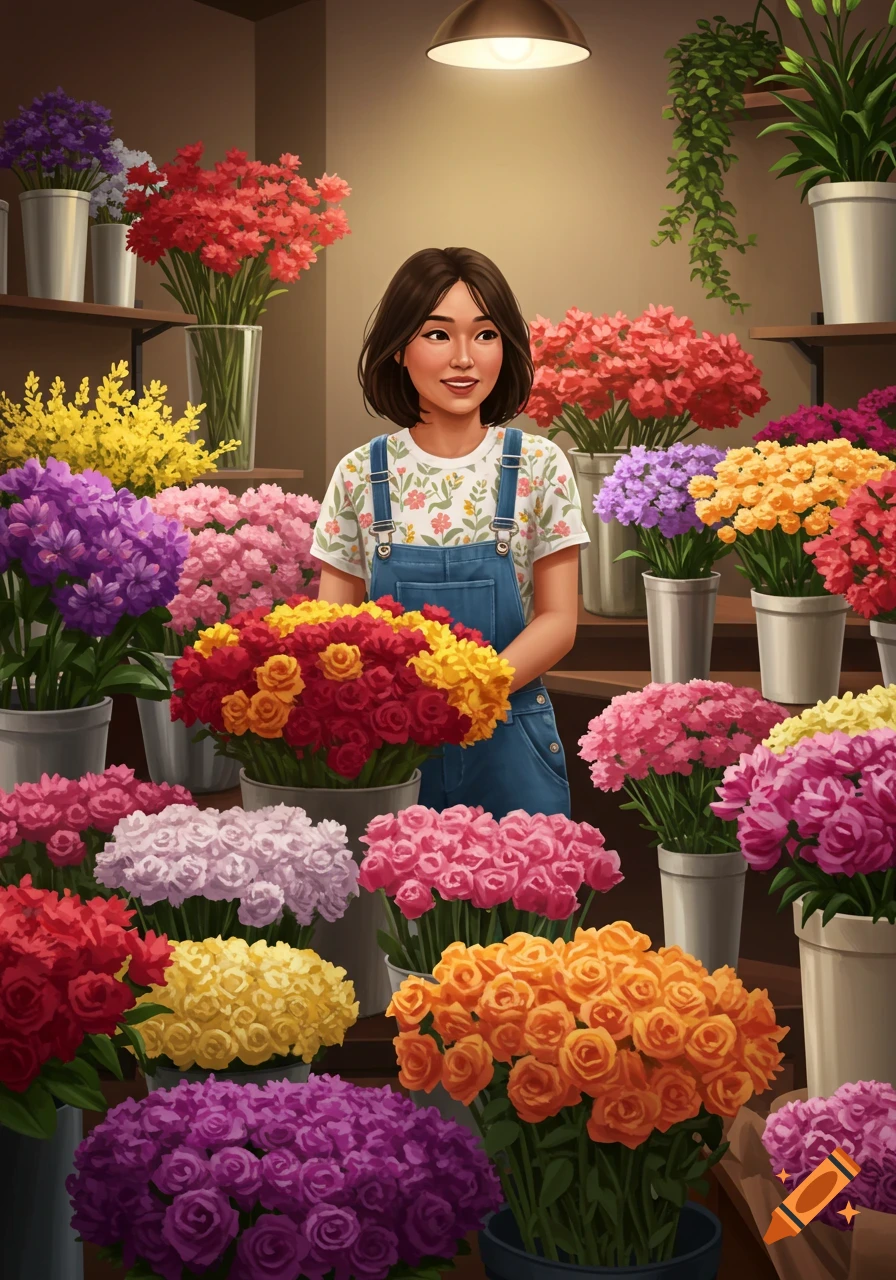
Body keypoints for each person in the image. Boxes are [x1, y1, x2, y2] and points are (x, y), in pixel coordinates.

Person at [311, 246, 589, 818]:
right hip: (390, 745)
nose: (464, 358)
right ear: (398, 349)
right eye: (438, 335)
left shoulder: (539, 465)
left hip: (511, 736)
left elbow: (559, 621)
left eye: (485, 335)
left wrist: (473, 693)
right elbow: (332, 628)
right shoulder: (359, 473)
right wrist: (403, 706)